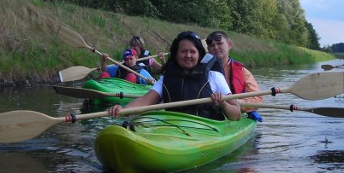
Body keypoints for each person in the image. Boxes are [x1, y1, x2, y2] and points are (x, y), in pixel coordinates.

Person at [107, 31, 241, 120]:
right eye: (183, 51)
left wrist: (223, 104)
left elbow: (236, 114)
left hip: (208, 129)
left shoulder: (214, 76)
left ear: (199, 54)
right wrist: (124, 109)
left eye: (192, 52)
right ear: (176, 54)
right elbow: (144, 101)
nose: (188, 55)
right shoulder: (167, 78)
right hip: (173, 129)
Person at [206, 30, 263, 121]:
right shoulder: (200, 70)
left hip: (235, 115)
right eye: (212, 45)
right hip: (210, 115)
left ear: (229, 45)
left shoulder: (243, 72)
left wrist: (234, 103)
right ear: (208, 50)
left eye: (219, 43)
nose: (216, 47)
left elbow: (256, 98)